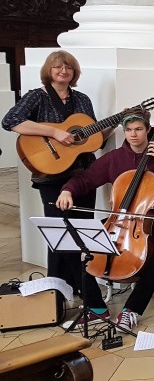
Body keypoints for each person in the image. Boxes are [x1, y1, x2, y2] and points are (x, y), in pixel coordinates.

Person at [55, 110, 154, 330]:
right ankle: (96, 308)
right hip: (118, 218)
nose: (133, 134)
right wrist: (67, 190)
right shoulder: (114, 159)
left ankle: (132, 309)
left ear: (148, 130)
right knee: (76, 244)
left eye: (138, 129)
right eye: (128, 130)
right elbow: (86, 179)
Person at [2, 51, 106, 295]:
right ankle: (60, 290)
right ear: (49, 71)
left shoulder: (82, 99)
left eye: (69, 68)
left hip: (82, 176)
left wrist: (111, 125)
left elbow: (91, 140)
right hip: (51, 176)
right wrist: (53, 132)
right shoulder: (37, 97)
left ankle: (71, 289)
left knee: (80, 233)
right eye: (58, 67)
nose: (64, 71)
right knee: (59, 234)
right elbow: (10, 121)